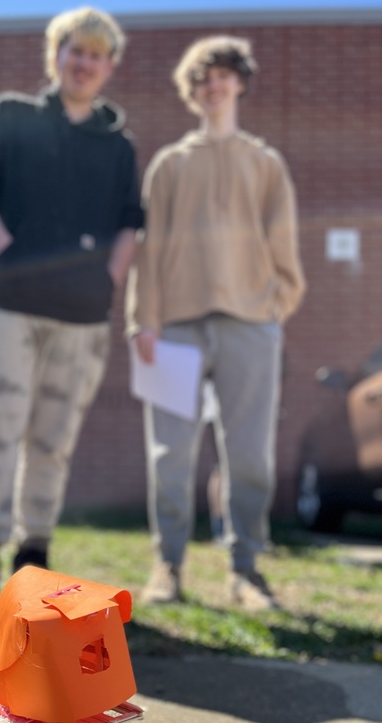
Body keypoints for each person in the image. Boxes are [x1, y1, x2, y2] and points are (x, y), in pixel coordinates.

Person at [0, 6, 145, 619]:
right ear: (55, 55)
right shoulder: (9, 116)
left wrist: (106, 281)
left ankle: (34, 566)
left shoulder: (118, 146)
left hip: (80, 318)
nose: (83, 63)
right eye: (73, 50)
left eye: (96, 55)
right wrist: (8, 252)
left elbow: (129, 223)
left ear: (109, 66)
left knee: (53, 443)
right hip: (5, 305)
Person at [127, 35, 306, 611]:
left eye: (225, 74)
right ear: (193, 90)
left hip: (250, 324)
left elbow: (284, 244)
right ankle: (168, 565)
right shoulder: (169, 164)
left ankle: (247, 570)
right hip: (173, 326)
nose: (215, 84)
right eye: (205, 76)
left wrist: (277, 306)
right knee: (170, 453)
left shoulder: (265, 163)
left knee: (250, 451)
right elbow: (149, 249)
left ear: (239, 84)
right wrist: (142, 322)